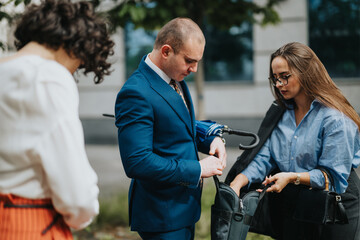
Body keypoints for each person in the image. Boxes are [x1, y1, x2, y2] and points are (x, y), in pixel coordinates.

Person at [0, 0, 114, 239]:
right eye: (79, 64)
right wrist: (83, 215)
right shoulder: (47, 77)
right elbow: (77, 193)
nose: (73, 72)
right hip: (30, 221)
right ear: (74, 46)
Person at [228, 42, 360, 239]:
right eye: (275, 79)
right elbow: (266, 157)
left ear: (306, 72)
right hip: (295, 204)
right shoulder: (281, 112)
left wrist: (292, 177)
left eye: (285, 77)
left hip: (334, 206)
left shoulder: (335, 119)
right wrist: (238, 182)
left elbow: (333, 178)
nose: (279, 84)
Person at [115, 17, 226, 240]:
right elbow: (137, 162)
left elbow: (176, 124)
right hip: (162, 215)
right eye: (189, 61)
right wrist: (197, 169)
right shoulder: (135, 93)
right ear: (166, 51)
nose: (194, 69)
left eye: (197, 62)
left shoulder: (175, 77)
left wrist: (209, 138)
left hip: (183, 210)